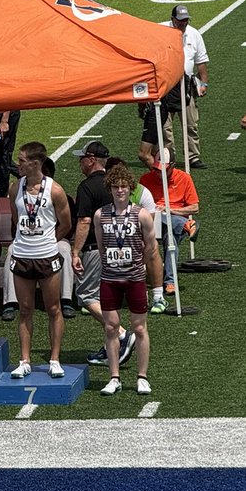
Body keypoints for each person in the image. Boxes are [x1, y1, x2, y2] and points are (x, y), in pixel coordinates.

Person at [7, 142, 72, 379]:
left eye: (21, 160)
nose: (18, 163)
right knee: (25, 309)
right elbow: (17, 218)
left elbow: (66, 224)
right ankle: (24, 360)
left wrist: (48, 241)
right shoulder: (16, 188)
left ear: (35, 164)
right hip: (22, 255)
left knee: (53, 308)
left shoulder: (55, 190)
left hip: (46, 256)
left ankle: (54, 359)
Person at [71, 141, 135, 368]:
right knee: (107, 298)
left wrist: (76, 251)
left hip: (96, 249)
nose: (80, 162)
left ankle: (121, 333)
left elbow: (84, 220)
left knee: (87, 296)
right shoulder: (115, 187)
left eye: (82, 158)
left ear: (91, 159)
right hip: (120, 247)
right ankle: (112, 346)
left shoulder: (87, 187)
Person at [95, 162, 158, 396]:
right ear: (110, 188)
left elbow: (151, 247)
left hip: (134, 277)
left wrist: (138, 265)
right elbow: (101, 247)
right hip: (110, 278)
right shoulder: (100, 215)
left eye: (123, 186)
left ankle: (142, 376)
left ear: (130, 188)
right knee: (111, 327)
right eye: (115, 186)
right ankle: (114, 377)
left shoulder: (141, 214)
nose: (120, 190)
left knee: (140, 328)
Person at [139, 151, 199, 297]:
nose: (159, 173)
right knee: (166, 222)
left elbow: (195, 207)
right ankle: (187, 225)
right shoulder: (145, 179)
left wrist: (170, 209)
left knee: (170, 235)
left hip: (172, 219)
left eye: (163, 169)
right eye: (156, 169)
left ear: (172, 166)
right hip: (152, 220)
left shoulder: (184, 178)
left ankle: (169, 281)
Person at [162, 4, 209, 168]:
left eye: (186, 20)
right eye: (180, 20)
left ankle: (193, 157)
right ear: (172, 19)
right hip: (166, 84)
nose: (183, 23)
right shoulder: (160, 31)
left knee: (190, 122)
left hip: (186, 83)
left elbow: (201, 61)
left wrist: (204, 82)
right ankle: (168, 157)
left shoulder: (194, 34)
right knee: (165, 124)